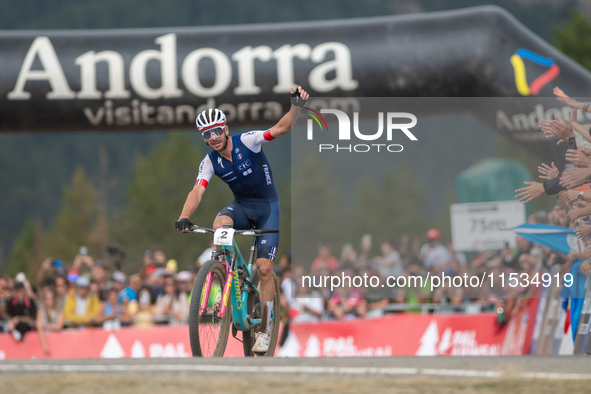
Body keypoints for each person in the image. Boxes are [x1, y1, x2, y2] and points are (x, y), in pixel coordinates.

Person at [175, 86, 309, 353]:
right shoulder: (210, 161)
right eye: (206, 134)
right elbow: (197, 190)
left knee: (264, 269)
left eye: (216, 131)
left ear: (225, 128)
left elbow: (280, 129)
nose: (213, 137)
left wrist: (296, 107)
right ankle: (221, 274)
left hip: (267, 209)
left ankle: (267, 328)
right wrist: (184, 216)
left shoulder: (248, 140)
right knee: (219, 224)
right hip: (242, 208)